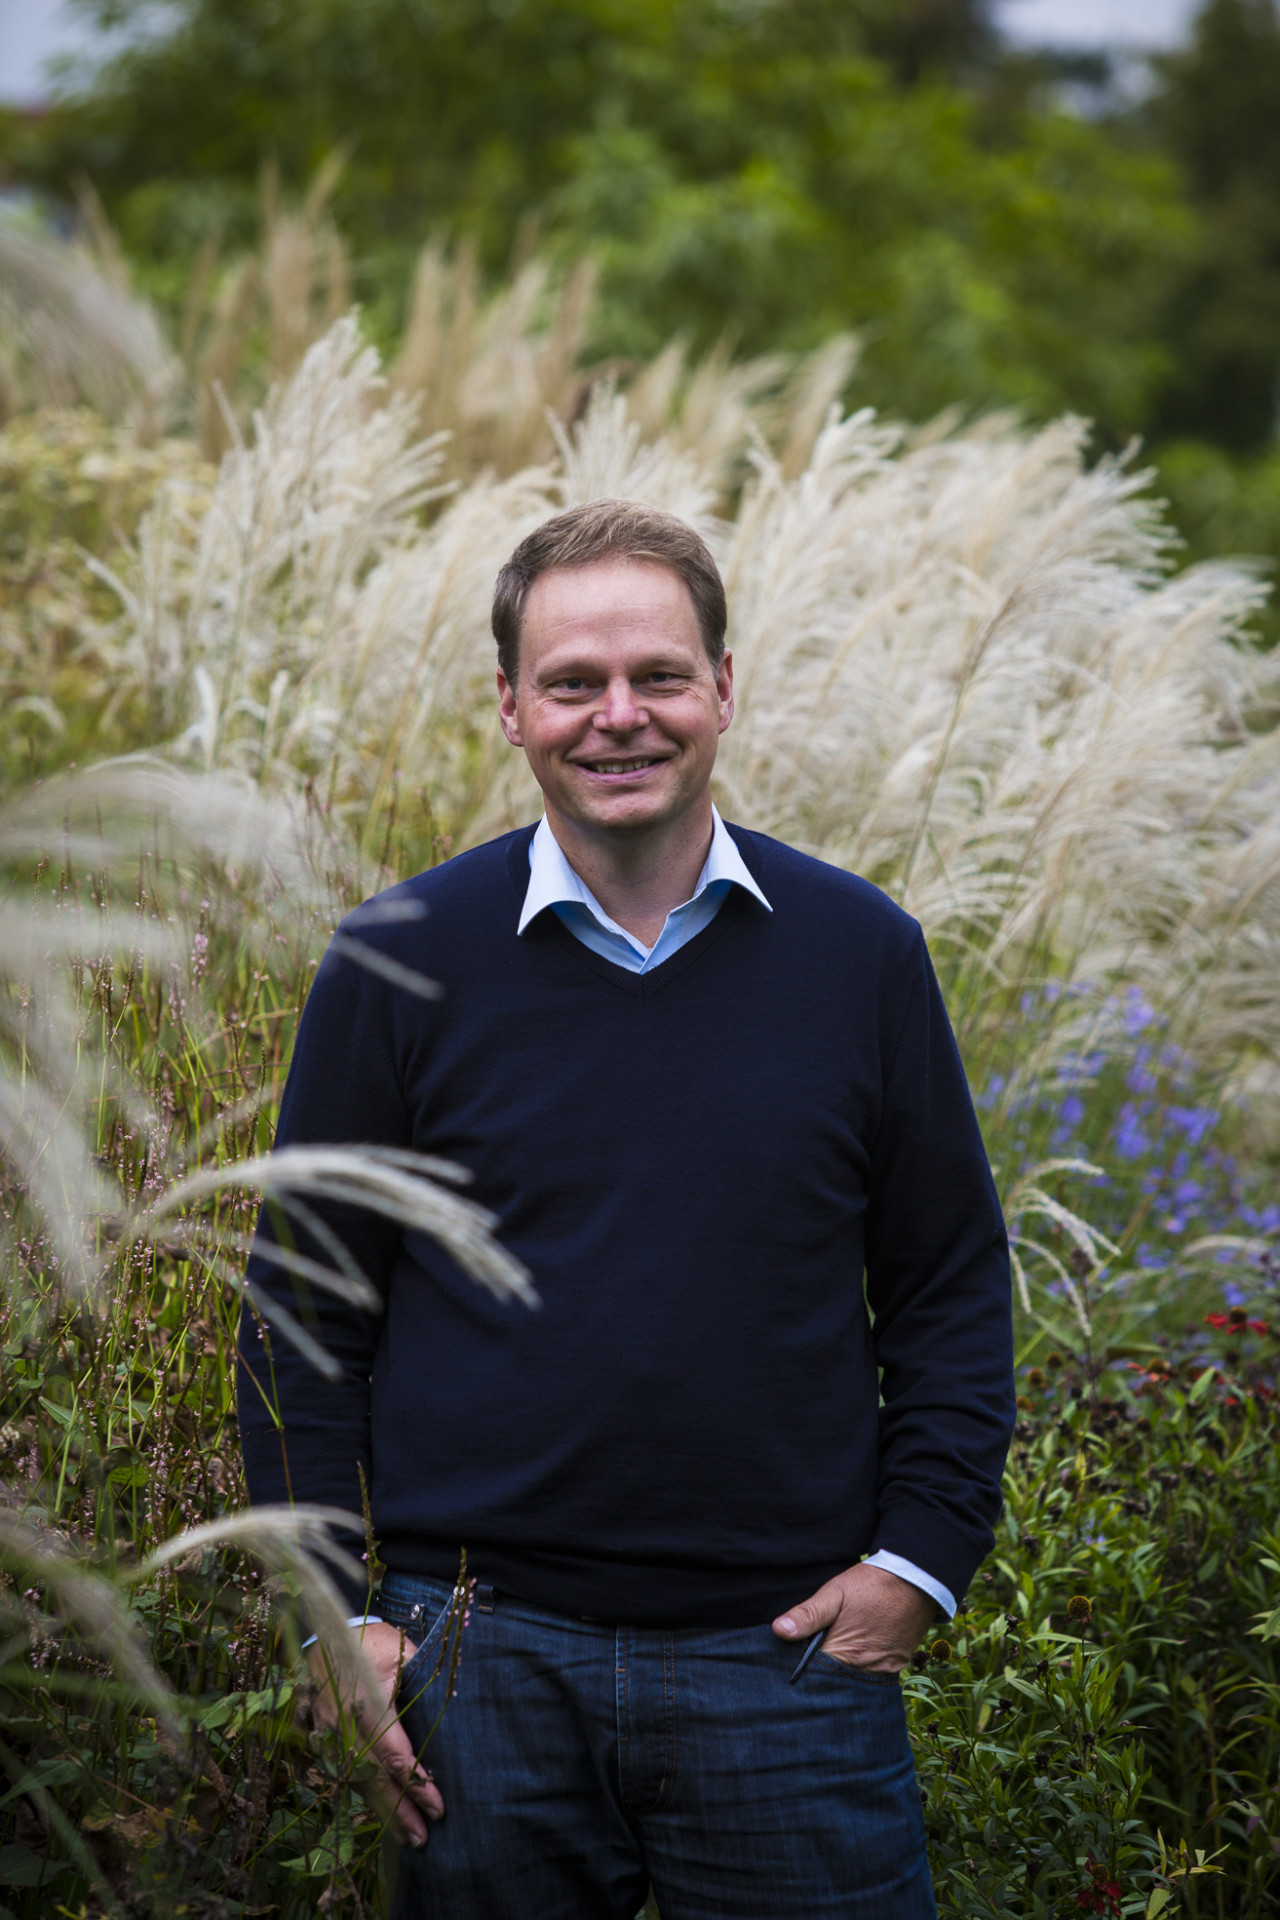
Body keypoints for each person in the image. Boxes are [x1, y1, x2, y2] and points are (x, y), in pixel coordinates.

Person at [237, 498, 1015, 1919]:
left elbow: (949, 1285)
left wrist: (921, 1561)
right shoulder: (399, 961)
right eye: (572, 682)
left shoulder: (861, 957)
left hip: (786, 1664)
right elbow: (302, 1313)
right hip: (476, 1667)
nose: (619, 718)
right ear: (510, 707)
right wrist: (333, 1612)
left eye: (659, 675)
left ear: (724, 687)